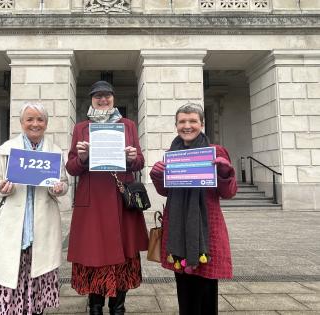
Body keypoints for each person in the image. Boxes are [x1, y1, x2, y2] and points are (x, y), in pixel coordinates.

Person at [66, 81, 148, 315]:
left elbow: (140, 161)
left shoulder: (128, 125)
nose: (103, 100)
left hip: (121, 199)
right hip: (92, 201)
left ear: (113, 98)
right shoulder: (81, 128)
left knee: (124, 252)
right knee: (93, 252)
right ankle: (95, 306)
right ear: (91, 100)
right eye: (98, 96)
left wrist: (133, 158)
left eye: (107, 96)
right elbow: (71, 168)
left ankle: (118, 305)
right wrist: (82, 157)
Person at [150, 103, 237, 315]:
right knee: (184, 288)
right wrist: (157, 175)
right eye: (182, 121)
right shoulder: (172, 153)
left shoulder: (215, 151)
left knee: (206, 287)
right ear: (176, 125)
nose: (187, 126)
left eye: (192, 121)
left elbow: (229, 192)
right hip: (178, 228)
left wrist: (225, 173)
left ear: (202, 124)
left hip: (206, 230)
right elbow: (165, 191)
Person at [0, 102, 68, 315]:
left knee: (38, 274)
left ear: (46, 123)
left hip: (42, 226)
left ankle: (35, 310)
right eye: (29, 119)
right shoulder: (4, 151)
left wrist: (58, 188)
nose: (35, 124)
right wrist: (0, 187)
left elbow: (63, 183)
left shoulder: (54, 152)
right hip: (12, 226)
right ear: (21, 123)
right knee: (10, 275)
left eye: (40, 119)